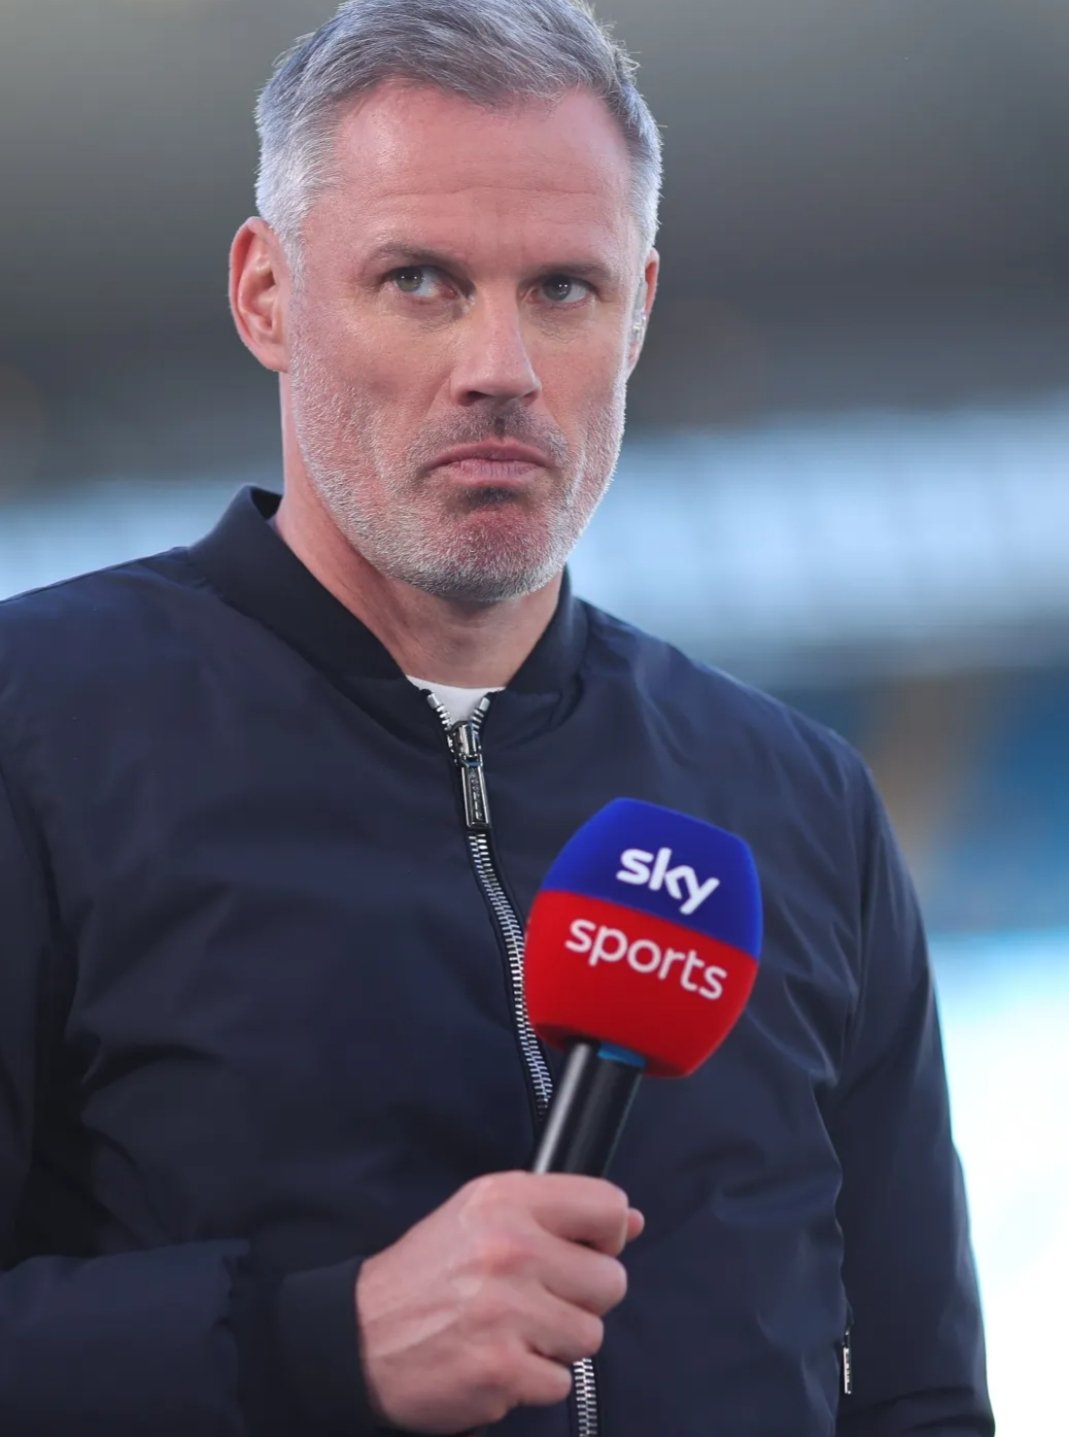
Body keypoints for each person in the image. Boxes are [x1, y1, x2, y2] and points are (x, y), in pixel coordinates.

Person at [0, 1, 993, 1433]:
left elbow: (917, 1391)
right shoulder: (37, 729)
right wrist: (317, 1341)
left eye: (565, 289)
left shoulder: (797, 801)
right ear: (266, 294)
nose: (502, 367)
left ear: (637, 311)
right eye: (420, 280)